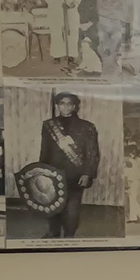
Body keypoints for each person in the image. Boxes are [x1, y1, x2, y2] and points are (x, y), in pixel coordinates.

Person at [39, 92, 100, 238]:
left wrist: (87, 173)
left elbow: (92, 152)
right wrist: (42, 170)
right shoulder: (48, 125)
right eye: (62, 103)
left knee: (72, 208)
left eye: (69, 103)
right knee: (52, 205)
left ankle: (69, 235)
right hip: (53, 172)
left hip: (76, 174)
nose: (65, 106)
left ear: (74, 106)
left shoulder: (87, 126)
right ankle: (54, 232)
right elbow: (45, 149)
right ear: (57, 105)